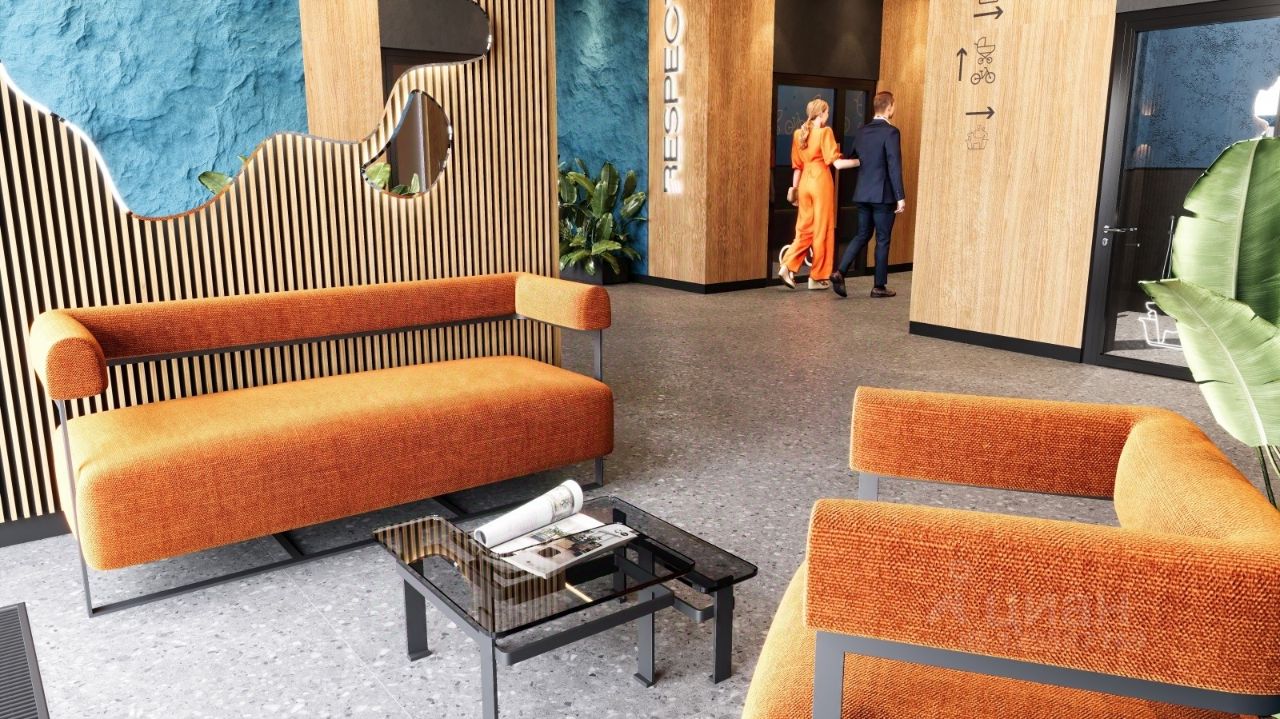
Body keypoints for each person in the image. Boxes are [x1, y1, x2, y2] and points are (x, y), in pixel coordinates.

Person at [830, 91, 906, 299]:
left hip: (862, 193)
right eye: (893, 106)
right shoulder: (891, 132)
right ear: (890, 107)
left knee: (862, 234)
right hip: (883, 196)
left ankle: (839, 272)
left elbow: (854, 157)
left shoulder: (861, 131)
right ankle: (878, 286)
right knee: (882, 239)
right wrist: (900, 196)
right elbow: (894, 165)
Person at [779, 98, 859, 290]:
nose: (828, 115)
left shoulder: (798, 134)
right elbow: (837, 164)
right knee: (822, 229)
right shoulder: (825, 132)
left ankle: (787, 265)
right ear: (822, 113)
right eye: (827, 112)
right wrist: (860, 162)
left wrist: (795, 192)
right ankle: (817, 277)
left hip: (804, 184)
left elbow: (797, 167)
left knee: (804, 229)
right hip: (821, 183)